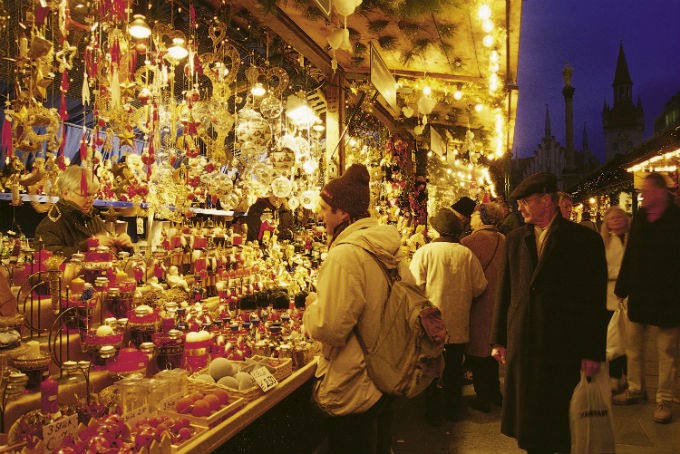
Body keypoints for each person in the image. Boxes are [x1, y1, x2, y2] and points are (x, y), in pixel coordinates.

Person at [490, 172, 608, 454]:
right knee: (529, 422)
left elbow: (593, 300)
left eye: (526, 202)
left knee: (558, 420)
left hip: (562, 344)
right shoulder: (516, 239)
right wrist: (498, 338)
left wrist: (593, 351)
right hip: (524, 339)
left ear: (547, 200)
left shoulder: (583, 241)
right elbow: (504, 291)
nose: (520, 208)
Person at [303, 164, 404, 454]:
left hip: (355, 380)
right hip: (385, 372)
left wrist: (312, 308)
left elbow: (330, 327)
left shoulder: (346, 255)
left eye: (324, 209)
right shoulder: (387, 248)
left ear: (343, 213)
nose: (320, 215)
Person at [409, 207, 487, 424]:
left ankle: (432, 413)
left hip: (430, 324)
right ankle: (453, 410)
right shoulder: (466, 254)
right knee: (453, 369)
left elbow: (413, 286)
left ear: (437, 230)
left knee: (430, 369)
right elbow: (480, 286)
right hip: (458, 323)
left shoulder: (424, 252)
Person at [613, 172, 680, 424]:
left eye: (648, 189)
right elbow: (631, 253)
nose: (644, 194)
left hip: (669, 295)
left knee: (666, 350)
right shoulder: (640, 217)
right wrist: (623, 285)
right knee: (633, 346)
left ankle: (664, 398)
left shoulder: (676, 218)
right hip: (640, 293)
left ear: (662, 192)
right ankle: (635, 388)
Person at [461, 202, 506, 413]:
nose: (471, 217)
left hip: (478, 301)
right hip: (499, 301)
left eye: (474, 214)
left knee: (478, 351)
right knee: (493, 348)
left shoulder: (469, 242)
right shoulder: (504, 240)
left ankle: (483, 396)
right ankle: (496, 392)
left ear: (482, 218)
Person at [35, 165, 133, 258]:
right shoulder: (49, 226)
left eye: (93, 195)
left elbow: (111, 255)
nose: (91, 200)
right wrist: (89, 245)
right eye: (86, 194)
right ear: (66, 193)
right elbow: (49, 261)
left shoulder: (94, 219)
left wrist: (122, 247)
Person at [600, 206, 631, 394]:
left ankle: (630, 376)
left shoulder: (633, 240)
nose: (617, 221)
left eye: (619, 217)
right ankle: (614, 377)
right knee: (613, 340)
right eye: (612, 218)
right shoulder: (604, 242)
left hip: (631, 298)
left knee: (630, 339)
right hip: (610, 297)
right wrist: (619, 275)